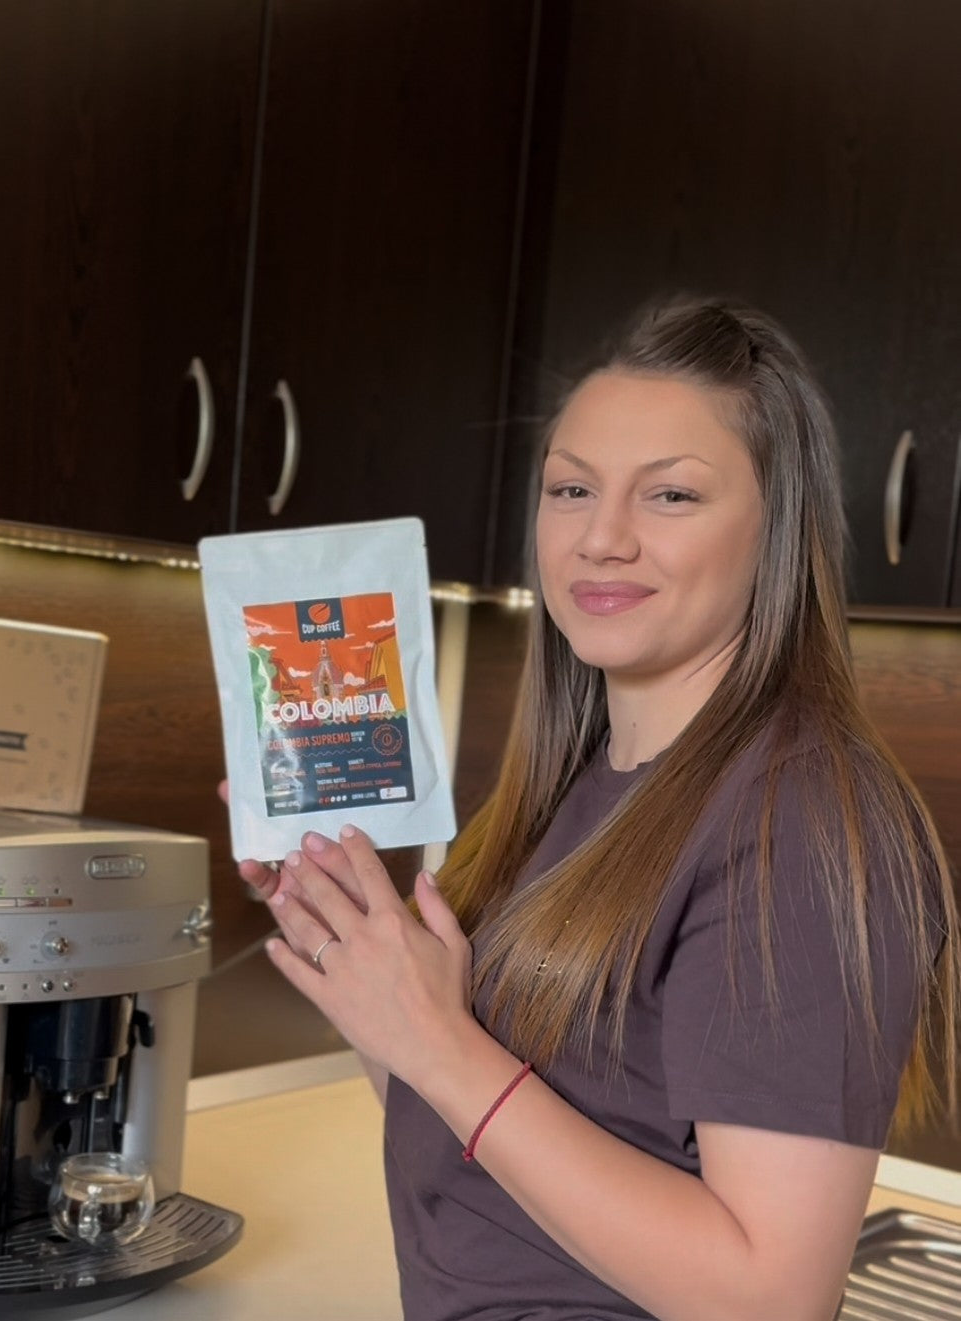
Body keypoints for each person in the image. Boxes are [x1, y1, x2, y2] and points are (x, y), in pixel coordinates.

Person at [232, 296, 960, 1320]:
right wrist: (349, 944)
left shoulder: (797, 824)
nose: (601, 538)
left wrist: (441, 1042)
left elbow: (771, 1296)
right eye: (571, 488)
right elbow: (476, 1139)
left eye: (670, 495)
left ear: (776, 530)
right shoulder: (575, 786)